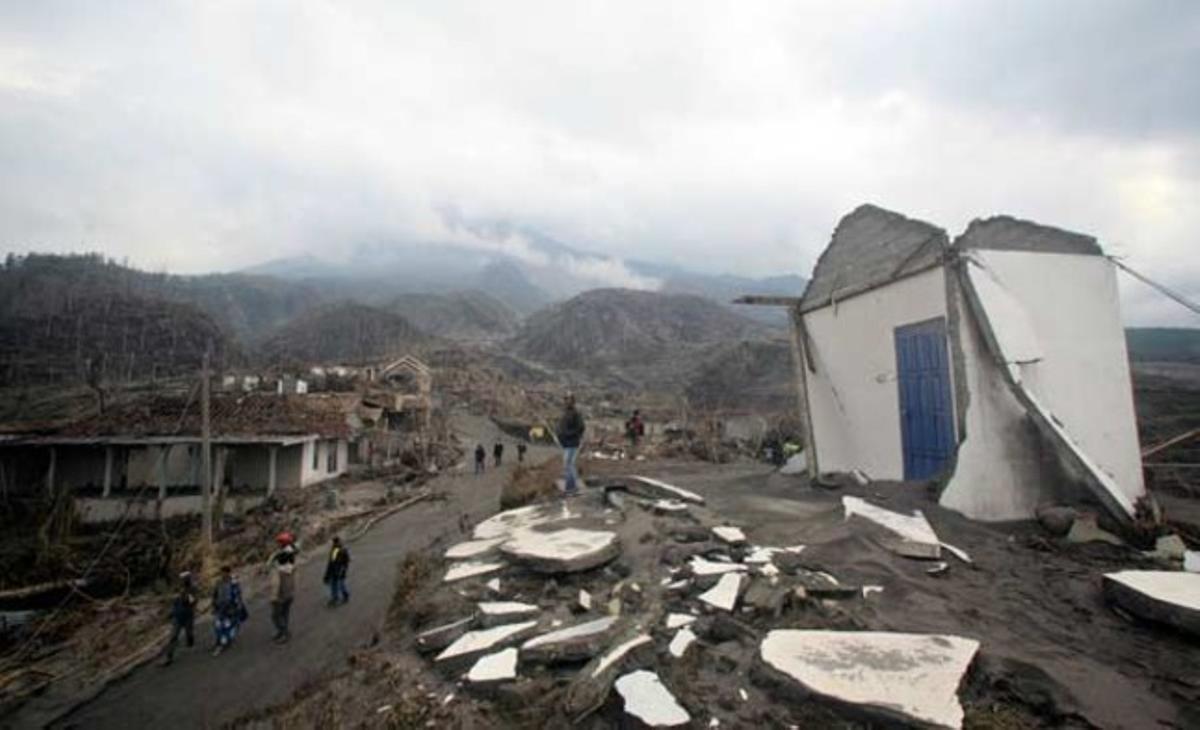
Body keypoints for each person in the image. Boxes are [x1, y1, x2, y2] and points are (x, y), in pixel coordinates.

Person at [161, 571, 197, 666]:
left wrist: (185, 595)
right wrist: (171, 613)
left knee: (189, 633)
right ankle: (169, 657)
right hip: (178, 617)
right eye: (182, 579)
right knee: (173, 637)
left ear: (188, 579)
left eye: (185, 579)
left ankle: (190, 642)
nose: (183, 581)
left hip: (188, 616)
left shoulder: (192, 589)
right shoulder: (179, 589)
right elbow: (175, 603)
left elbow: (192, 602)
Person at [211, 566, 247, 655]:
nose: (223, 575)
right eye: (222, 573)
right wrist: (214, 604)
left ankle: (223, 643)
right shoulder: (218, 583)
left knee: (228, 625)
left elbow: (238, 595)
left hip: (231, 608)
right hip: (220, 607)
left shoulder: (233, 583)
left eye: (224, 573)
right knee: (218, 625)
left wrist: (238, 606)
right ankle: (220, 641)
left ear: (228, 573)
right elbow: (215, 594)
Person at [556, 394, 586, 495]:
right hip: (566, 443)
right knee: (568, 465)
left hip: (572, 442)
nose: (565, 402)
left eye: (568, 399)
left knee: (569, 464)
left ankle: (572, 487)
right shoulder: (565, 413)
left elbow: (581, 427)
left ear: (572, 401)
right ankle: (571, 487)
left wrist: (569, 434)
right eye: (565, 399)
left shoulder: (575, 414)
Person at [269, 550, 296, 643]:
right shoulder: (291, 568)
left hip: (280, 597)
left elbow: (275, 585)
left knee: (275, 616)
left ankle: (284, 633)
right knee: (285, 614)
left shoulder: (277, 571)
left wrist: (273, 597)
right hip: (289, 595)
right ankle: (283, 631)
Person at [324, 536, 351, 606]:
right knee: (340, 583)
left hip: (336, 570)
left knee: (335, 584)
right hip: (340, 570)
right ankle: (344, 596)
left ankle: (336, 598)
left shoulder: (336, 550)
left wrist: (327, 574)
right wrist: (344, 569)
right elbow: (347, 561)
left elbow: (331, 562)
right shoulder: (343, 549)